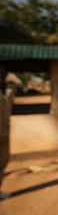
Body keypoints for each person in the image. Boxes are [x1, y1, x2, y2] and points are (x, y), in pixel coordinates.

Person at [0, 67, 14, 199]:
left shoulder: (8, 91)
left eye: (3, 74)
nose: (1, 76)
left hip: (4, 131)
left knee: (3, 160)